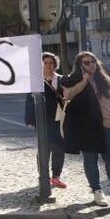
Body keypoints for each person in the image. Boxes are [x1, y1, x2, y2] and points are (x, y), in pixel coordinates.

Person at [60, 52, 110, 211]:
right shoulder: (73, 79)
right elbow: (68, 95)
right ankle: (97, 191)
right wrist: (84, 81)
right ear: (80, 65)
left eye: (93, 62)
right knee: (91, 162)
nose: (91, 65)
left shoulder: (106, 81)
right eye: (87, 62)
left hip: (108, 127)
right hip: (87, 129)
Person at [24, 52, 66, 189]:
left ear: (55, 65)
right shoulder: (36, 81)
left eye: (51, 63)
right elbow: (29, 101)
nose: (49, 66)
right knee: (44, 149)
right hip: (42, 120)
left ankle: (56, 176)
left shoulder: (61, 80)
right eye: (46, 63)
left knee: (59, 148)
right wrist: (30, 119)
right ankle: (43, 175)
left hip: (59, 119)